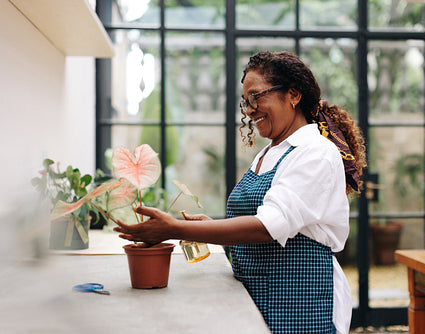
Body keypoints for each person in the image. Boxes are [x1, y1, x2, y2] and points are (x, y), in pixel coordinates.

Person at [114, 50, 366, 334]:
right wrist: (210, 227)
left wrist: (174, 228)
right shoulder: (268, 154)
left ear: (293, 95)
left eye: (257, 97)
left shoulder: (316, 153)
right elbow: (258, 222)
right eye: (246, 101)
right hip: (259, 295)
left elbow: (267, 227)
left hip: (300, 302)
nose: (249, 109)